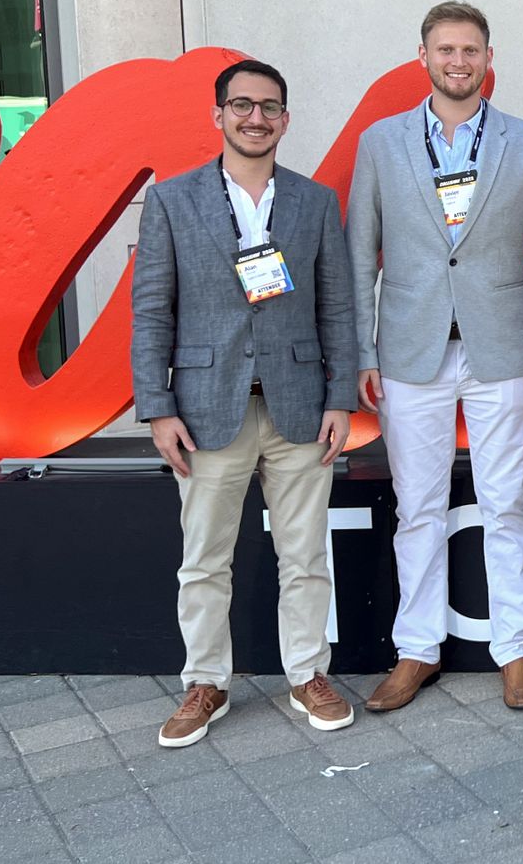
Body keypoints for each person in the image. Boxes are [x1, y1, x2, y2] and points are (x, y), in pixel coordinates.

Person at [131, 58, 359, 746]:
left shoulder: (315, 201)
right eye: (242, 105)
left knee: (305, 556)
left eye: (269, 107)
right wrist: (158, 405)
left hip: (299, 406)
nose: (255, 117)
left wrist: (341, 396)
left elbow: (338, 308)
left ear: (285, 119)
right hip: (204, 411)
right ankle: (205, 682)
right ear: (218, 115)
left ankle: (307, 673)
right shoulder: (172, 200)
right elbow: (150, 312)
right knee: (203, 558)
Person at [348, 1, 523, 712]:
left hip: (501, 348)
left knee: (507, 503)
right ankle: (417, 650)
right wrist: (363, 348)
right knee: (418, 507)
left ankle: (516, 650)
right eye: (446, 49)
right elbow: (358, 253)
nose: (459, 61)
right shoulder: (380, 143)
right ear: (424, 57)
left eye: (471, 50)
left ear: (488, 58)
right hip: (410, 351)